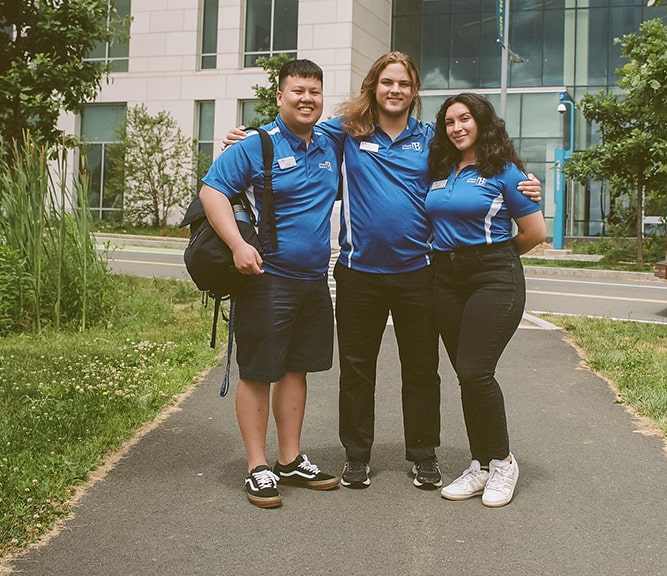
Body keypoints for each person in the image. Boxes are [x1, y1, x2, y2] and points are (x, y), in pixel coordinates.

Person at [225, 52, 542, 492]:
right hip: (358, 272)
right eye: (387, 82)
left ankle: (423, 455)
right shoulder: (345, 132)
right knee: (357, 368)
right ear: (374, 87)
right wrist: (245, 138)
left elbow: (482, 157)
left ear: (414, 92)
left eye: (405, 84)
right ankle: (357, 456)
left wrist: (525, 181)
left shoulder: (433, 140)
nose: (396, 90)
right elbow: (294, 127)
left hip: (419, 272)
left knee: (420, 368)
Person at [198, 59, 341, 508]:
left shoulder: (328, 143)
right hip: (265, 279)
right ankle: (257, 466)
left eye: (314, 92)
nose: (307, 99)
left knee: (296, 370)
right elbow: (212, 190)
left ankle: (290, 458)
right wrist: (239, 245)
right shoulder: (257, 144)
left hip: (314, 280)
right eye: (297, 90)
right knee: (260, 372)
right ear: (279, 97)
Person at [425, 93, 546, 508]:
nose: (457, 127)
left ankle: (504, 462)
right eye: (449, 121)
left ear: (482, 123)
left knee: (477, 371)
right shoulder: (441, 169)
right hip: (445, 276)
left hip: (493, 275)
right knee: (465, 373)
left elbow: (534, 233)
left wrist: (492, 257)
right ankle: (479, 465)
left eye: (465, 119)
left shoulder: (506, 172)